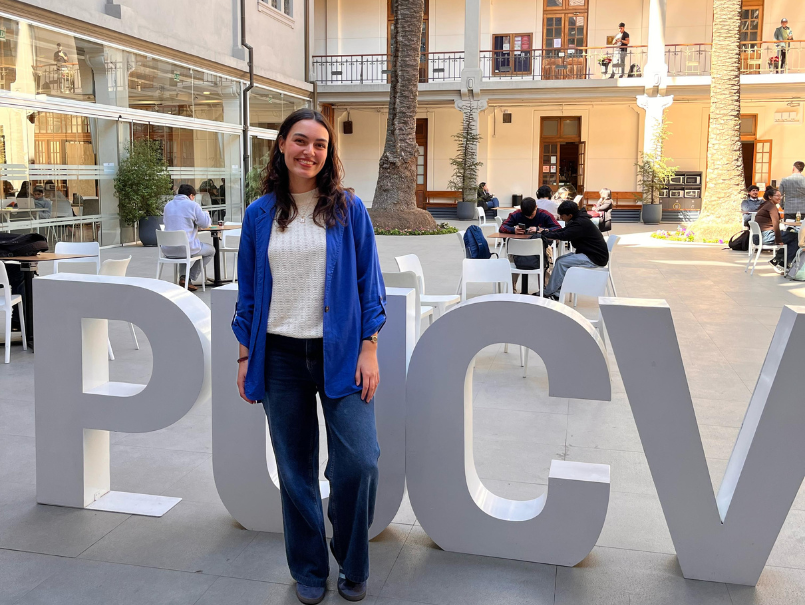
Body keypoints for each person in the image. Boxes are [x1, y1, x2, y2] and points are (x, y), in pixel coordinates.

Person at [232, 108, 385, 605]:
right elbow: (248, 295)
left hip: (340, 353)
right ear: (281, 144)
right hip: (278, 356)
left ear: (328, 153)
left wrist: (369, 348)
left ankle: (352, 559)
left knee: (359, 462)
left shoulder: (347, 209)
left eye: (320, 145)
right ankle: (309, 568)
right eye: (300, 141)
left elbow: (369, 283)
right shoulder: (259, 215)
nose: (310, 152)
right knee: (294, 469)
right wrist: (244, 358)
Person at [538, 200, 609, 300]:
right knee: (559, 260)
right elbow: (563, 231)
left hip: (595, 258)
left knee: (562, 262)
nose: (561, 218)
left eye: (562, 216)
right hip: (590, 254)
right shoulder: (579, 219)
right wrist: (546, 232)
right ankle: (557, 292)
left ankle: (548, 292)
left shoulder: (580, 223)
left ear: (570, 215)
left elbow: (564, 235)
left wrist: (544, 234)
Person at [162, 184, 214, 291]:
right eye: (194, 196)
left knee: (183, 245)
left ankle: (184, 278)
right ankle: (188, 276)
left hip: (168, 249)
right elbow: (205, 224)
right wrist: (206, 214)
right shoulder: (193, 205)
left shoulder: (168, 206)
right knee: (211, 250)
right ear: (190, 196)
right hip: (185, 248)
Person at [756, 186, 797, 274]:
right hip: (766, 236)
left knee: (791, 236)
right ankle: (783, 264)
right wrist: (778, 240)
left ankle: (777, 261)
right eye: (777, 196)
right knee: (796, 237)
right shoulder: (771, 207)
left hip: (759, 237)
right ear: (770, 197)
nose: (780, 198)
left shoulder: (765, 204)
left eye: (780, 196)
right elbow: (776, 224)